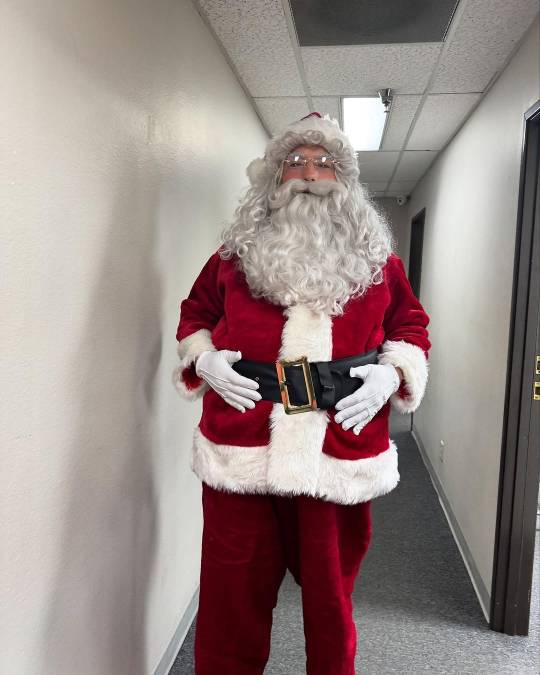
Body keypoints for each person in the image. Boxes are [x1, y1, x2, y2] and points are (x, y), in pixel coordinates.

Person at [172, 112, 431, 675]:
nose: (309, 174)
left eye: (324, 162)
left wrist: (393, 373)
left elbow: (410, 325)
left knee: (330, 600)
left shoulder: (379, 264)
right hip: (241, 443)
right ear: (274, 176)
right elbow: (196, 315)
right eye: (295, 162)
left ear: (345, 180)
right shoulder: (232, 259)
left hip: (337, 443)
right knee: (230, 596)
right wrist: (205, 358)